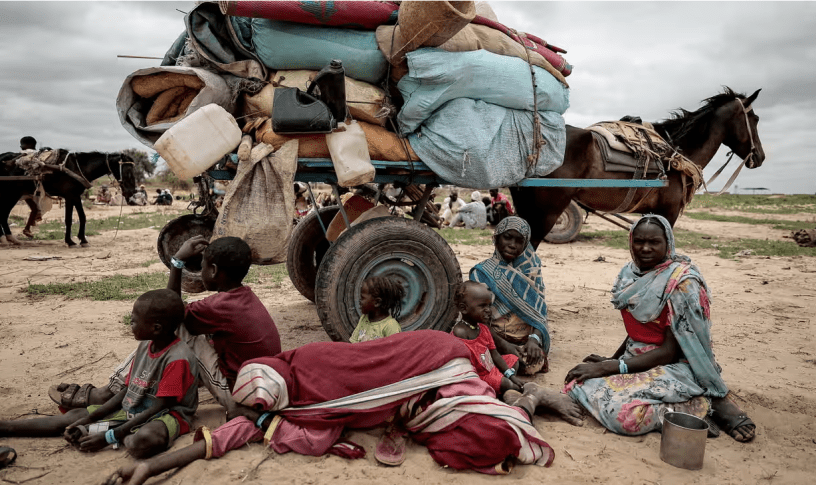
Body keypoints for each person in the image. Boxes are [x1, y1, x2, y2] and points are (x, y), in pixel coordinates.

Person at [103, 330, 585, 485]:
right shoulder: (282, 409)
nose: (251, 418)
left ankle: (528, 396)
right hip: (423, 399)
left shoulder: (310, 364)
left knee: (488, 419)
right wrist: (149, 467)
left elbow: (373, 367)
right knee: (488, 438)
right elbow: (225, 437)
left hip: (435, 362)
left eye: (254, 412)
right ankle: (523, 399)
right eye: (253, 413)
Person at [564, 214, 756, 442]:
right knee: (576, 383)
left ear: (668, 244)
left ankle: (700, 407)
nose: (645, 248)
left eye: (654, 242)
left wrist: (611, 367)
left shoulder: (682, 283)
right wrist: (612, 360)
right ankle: (686, 404)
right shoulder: (630, 274)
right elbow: (640, 327)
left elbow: (669, 351)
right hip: (637, 360)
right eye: (639, 241)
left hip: (677, 366)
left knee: (623, 415)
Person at [49, 236, 282, 416]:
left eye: (202, 266)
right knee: (191, 334)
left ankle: (108, 392)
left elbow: (170, 312)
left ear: (212, 271)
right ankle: (137, 386)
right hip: (262, 387)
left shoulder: (220, 305)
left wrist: (177, 263)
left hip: (239, 396)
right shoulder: (241, 297)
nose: (201, 272)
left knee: (174, 328)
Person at [1, 289, 199, 459]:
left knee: (144, 440)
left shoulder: (177, 358)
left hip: (166, 415)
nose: (130, 325)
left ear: (156, 328)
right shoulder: (145, 347)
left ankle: (115, 434)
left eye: (133, 321)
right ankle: (7, 427)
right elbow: (128, 390)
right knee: (74, 417)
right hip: (134, 409)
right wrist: (89, 418)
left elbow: (160, 406)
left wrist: (110, 436)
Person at [470, 217, 550, 376]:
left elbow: (538, 312)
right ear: (496, 238)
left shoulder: (531, 269)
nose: (512, 244)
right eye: (507, 237)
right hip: (493, 338)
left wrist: (534, 339)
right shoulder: (482, 272)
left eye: (519, 241)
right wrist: (504, 345)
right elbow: (477, 318)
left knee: (532, 363)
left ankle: (505, 362)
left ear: (525, 244)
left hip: (525, 341)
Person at [451, 281, 524, 394]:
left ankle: (504, 385)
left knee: (513, 360)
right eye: (482, 306)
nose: (488, 310)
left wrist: (510, 375)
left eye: (489, 305)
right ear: (464, 308)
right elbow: (465, 366)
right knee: (507, 384)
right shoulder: (460, 333)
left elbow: (494, 354)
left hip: (490, 368)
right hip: (479, 376)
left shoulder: (483, 329)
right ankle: (509, 388)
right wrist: (506, 377)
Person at [349, 276, 404, 343]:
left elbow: (394, 350)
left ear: (377, 302)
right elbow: (353, 343)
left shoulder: (390, 326)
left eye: (362, 298)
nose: (360, 301)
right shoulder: (364, 319)